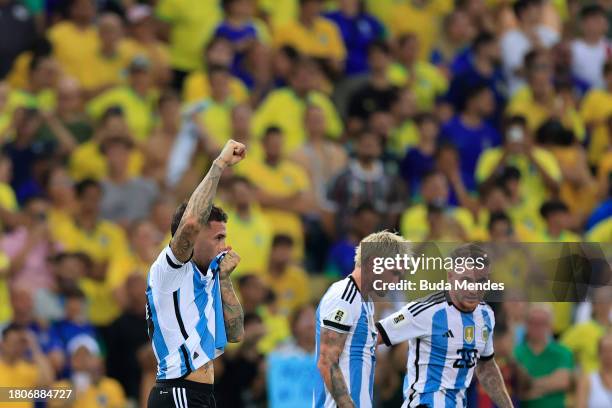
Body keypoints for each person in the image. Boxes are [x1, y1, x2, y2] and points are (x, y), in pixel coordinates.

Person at [146, 139, 246, 407]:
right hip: (177, 391)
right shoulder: (170, 270)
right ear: (195, 237)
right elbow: (191, 223)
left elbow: (236, 333)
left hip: (201, 395)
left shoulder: (209, 276)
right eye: (218, 238)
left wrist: (225, 279)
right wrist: (219, 164)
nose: (225, 246)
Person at [376, 244, 513, 408]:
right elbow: (375, 335)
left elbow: (486, 366)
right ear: (450, 277)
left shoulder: (486, 316)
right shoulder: (425, 310)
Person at [314, 231, 409, 408]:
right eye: (394, 272)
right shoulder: (345, 296)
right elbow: (327, 360)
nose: (396, 282)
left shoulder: (365, 302)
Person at [514, 304, 573, 408]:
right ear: (526, 324)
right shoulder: (516, 353)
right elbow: (515, 387)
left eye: (542, 323)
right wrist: (549, 384)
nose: (538, 327)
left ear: (550, 325)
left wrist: (529, 386)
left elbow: (562, 381)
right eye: (533, 322)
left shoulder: (563, 352)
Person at [0, 323, 54, 407]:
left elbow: (48, 382)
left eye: (20, 343)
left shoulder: (27, 368)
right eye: (13, 343)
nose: (16, 347)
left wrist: (34, 346)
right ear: (3, 343)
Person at [571, 4, 611, 90]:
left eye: (601, 18)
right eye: (593, 18)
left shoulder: (609, 47)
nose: (599, 21)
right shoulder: (573, 49)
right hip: (582, 97)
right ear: (582, 24)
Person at [576, 333, 612, 408]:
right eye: (605, 351)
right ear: (599, 353)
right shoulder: (587, 380)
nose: (608, 355)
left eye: (611, 350)